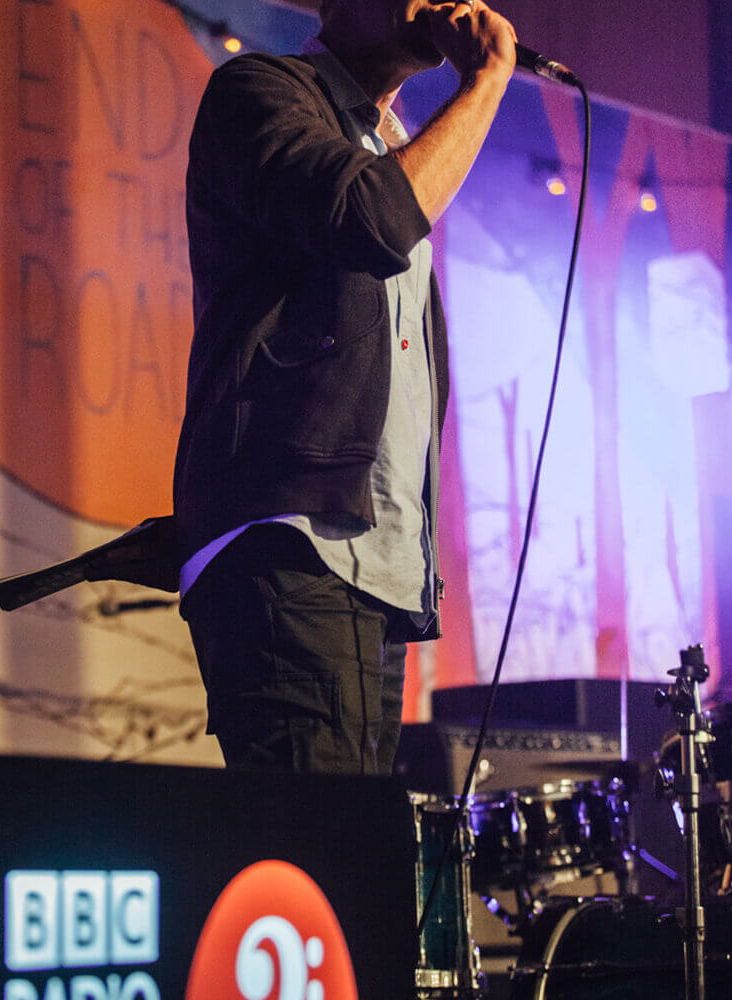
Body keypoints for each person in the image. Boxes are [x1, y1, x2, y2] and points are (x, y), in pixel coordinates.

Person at [173, 0, 516, 773]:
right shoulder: (261, 92)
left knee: (351, 837)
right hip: (292, 547)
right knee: (318, 833)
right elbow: (370, 220)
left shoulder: (392, 145)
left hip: (373, 566)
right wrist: (488, 81)